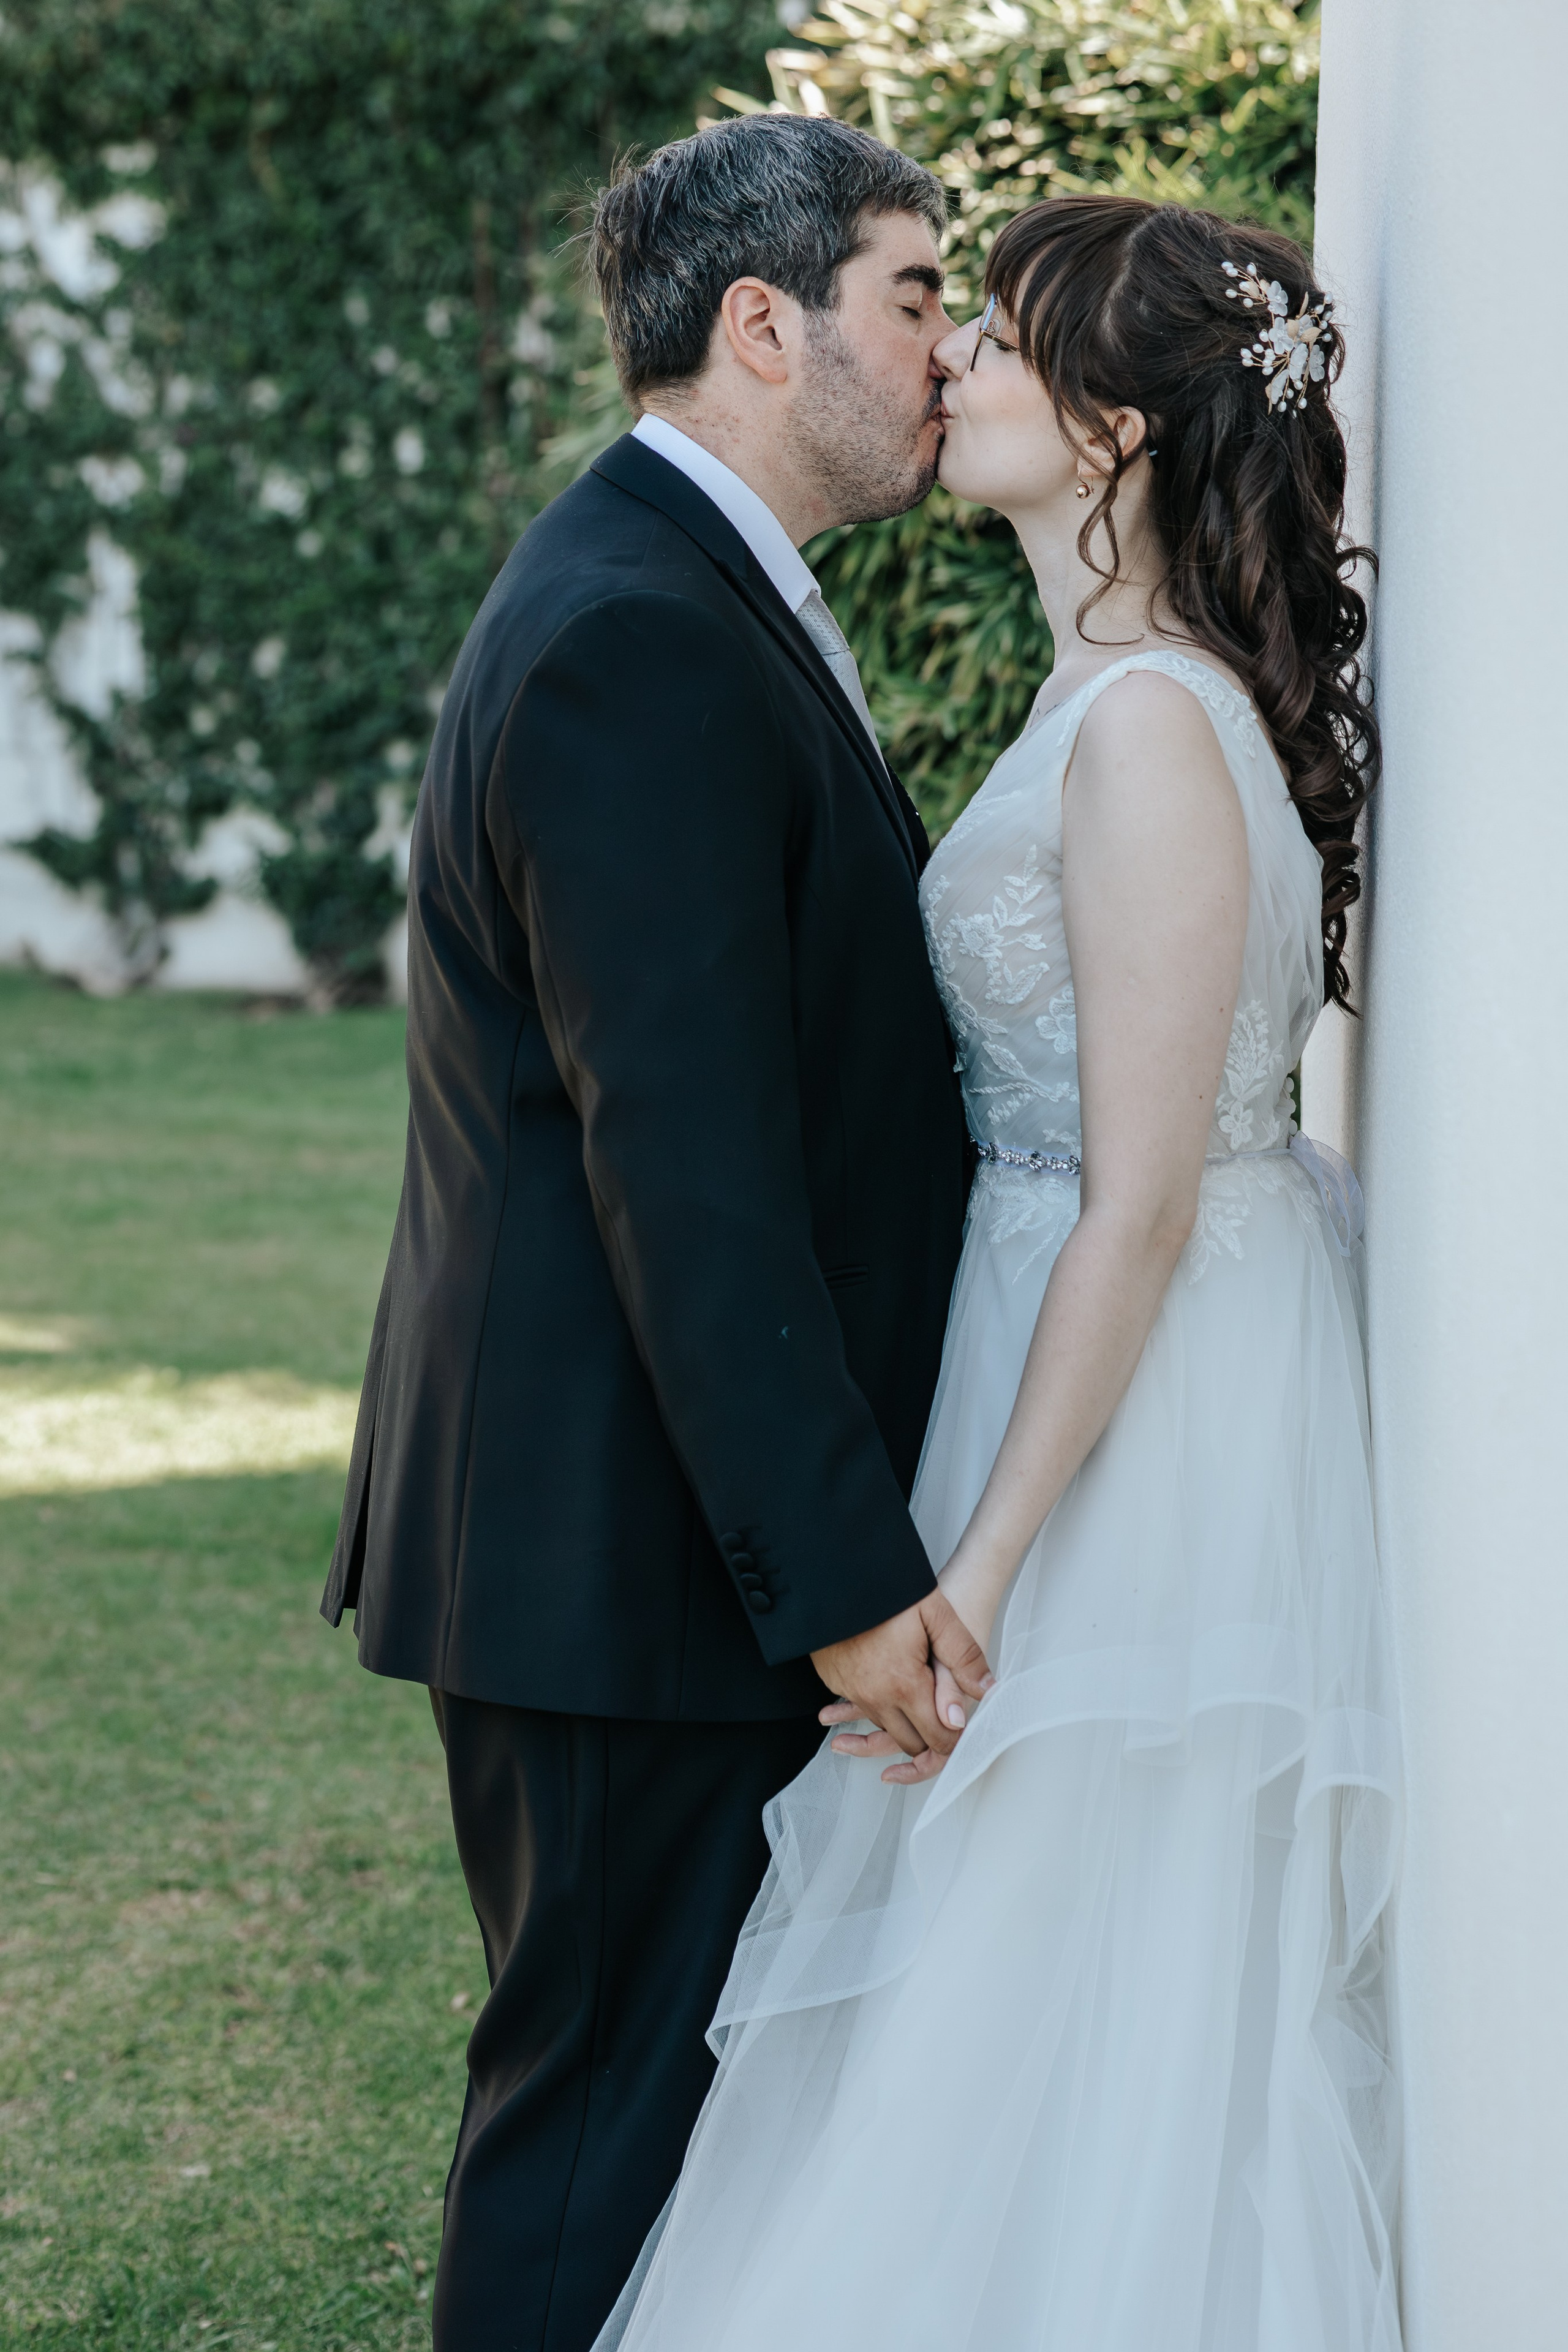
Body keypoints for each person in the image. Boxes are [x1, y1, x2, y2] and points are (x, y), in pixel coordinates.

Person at [594, 195, 1404, 2352]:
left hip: (1129, 1422)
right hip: (1074, 1348)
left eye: (1004, 341)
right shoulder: (1118, 693)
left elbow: (1140, 1197)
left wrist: (989, 1570)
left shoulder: (1151, 731)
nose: (950, 364)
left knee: (1083, 1977)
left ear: (1121, 426)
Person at [319, 113, 995, 2352]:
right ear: (762, 321)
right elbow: (681, 1168)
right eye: (914, 294)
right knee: (604, 2125)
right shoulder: (637, 635)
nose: (945, 346)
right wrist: (847, 1588)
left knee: (667, 2122)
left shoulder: (679, 588)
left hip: (632, 1538)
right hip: (625, 1564)